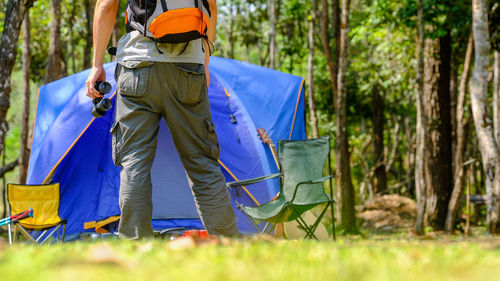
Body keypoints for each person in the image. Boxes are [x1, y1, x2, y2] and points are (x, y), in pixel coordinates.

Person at [85, 0, 239, 239]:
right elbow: (211, 7)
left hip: (137, 66)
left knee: (135, 162)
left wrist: (96, 65)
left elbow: (106, 4)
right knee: (203, 163)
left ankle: (136, 249)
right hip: (188, 66)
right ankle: (229, 247)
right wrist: (204, 62)